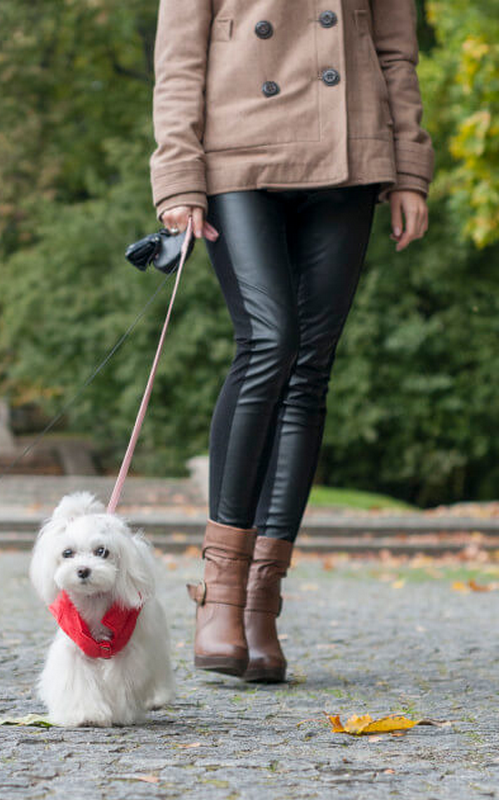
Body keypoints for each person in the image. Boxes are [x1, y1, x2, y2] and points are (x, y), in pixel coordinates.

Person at [149, 1, 433, 682]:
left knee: (310, 370)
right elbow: (180, 59)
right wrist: (179, 175)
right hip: (237, 150)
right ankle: (219, 593)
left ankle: (260, 605)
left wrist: (409, 169)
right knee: (270, 342)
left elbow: (396, 51)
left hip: (349, 150)